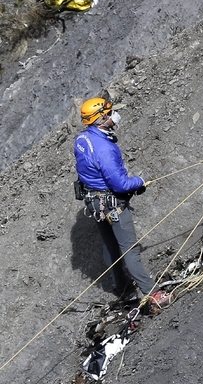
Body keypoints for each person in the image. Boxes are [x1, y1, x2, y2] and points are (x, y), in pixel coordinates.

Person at [74, 97, 156, 301]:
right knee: (130, 249)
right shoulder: (106, 150)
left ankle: (122, 286)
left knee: (110, 245)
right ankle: (152, 293)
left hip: (95, 203)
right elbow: (120, 184)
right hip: (112, 204)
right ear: (100, 120)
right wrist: (140, 181)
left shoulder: (82, 140)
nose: (113, 116)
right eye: (109, 114)